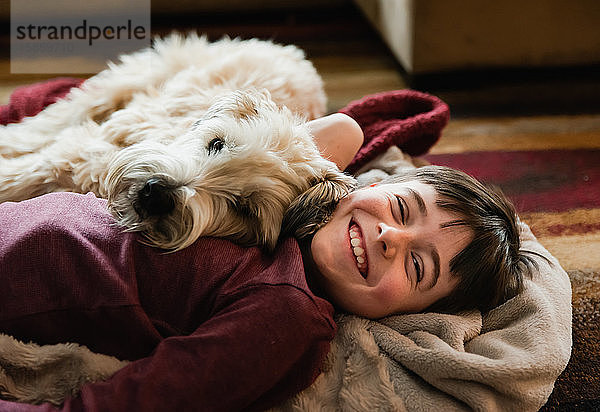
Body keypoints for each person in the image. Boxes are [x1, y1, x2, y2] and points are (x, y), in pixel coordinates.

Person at [0, 113, 531, 411]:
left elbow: (153, 400)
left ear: (412, 314)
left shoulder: (288, 315)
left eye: (418, 268)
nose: (391, 237)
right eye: (398, 209)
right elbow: (342, 131)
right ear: (362, 186)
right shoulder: (292, 206)